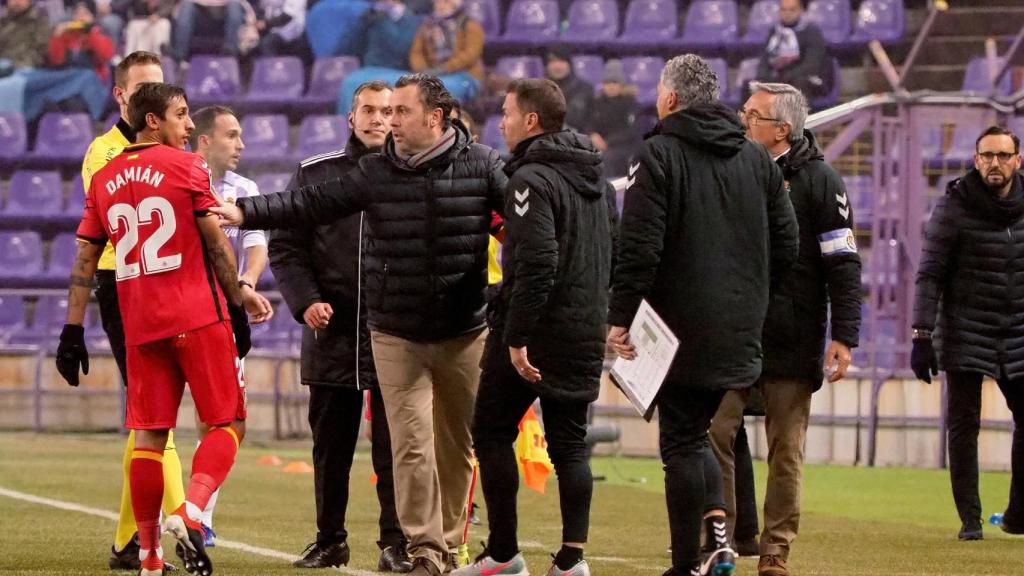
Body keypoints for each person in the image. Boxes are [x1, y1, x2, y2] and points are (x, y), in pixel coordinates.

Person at [211, 73, 508, 576]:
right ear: (352, 117)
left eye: (398, 112)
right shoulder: (372, 172)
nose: (388, 121)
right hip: (391, 330)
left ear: (433, 118)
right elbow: (305, 207)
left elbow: (522, 224)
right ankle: (423, 551)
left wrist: (509, 297)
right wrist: (246, 211)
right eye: (378, 112)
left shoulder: (482, 166)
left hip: (462, 329)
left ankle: (447, 540)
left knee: (454, 447)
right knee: (405, 443)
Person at [56, 81, 266, 576]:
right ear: (153, 120)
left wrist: (72, 330)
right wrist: (236, 306)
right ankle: (191, 512)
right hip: (198, 315)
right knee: (228, 422)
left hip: (140, 324)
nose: (190, 125)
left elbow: (86, 255)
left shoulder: (104, 178)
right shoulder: (189, 166)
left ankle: (149, 557)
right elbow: (216, 243)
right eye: (181, 114)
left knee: (149, 437)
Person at [607, 54, 799, 576]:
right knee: (702, 434)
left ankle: (687, 561)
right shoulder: (758, 159)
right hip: (740, 328)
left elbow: (639, 248)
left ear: (669, 99)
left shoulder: (658, 155)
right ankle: (718, 537)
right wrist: (752, 296)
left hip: (677, 330)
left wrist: (619, 316)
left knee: (681, 442)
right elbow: (788, 243)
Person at [453, 78, 612, 576]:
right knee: (570, 443)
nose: (500, 121)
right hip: (585, 330)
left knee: (492, 429)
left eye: (506, 112)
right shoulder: (599, 182)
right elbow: (614, 255)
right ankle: (572, 560)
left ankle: (503, 553)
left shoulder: (530, 180)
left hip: (535, 330)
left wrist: (517, 336)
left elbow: (539, 261)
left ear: (531, 121)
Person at [708, 82, 861, 576]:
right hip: (734, 331)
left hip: (793, 336)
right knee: (715, 432)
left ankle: (775, 550)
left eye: (751, 115)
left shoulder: (822, 181)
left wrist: (844, 335)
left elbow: (844, 263)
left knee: (786, 450)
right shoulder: (732, 170)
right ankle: (721, 541)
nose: (742, 121)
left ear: (782, 130)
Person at [267, 80, 412, 572]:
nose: (377, 119)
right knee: (331, 449)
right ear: (351, 119)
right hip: (331, 333)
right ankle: (330, 539)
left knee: (397, 450)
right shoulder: (316, 175)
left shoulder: (415, 173)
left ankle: (396, 543)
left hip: (397, 334)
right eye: (368, 110)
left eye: (388, 110)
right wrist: (306, 301)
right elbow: (285, 247)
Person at [76, 50, 185, 572]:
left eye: (160, 88)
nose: (155, 100)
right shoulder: (103, 152)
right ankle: (188, 521)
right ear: (122, 96)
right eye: (144, 89)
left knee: (151, 417)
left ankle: (128, 541)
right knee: (154, 415)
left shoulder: (175, 152)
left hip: (170, 283)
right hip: (124, 283)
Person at [912, 125, 1024, 541]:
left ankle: (1017, 514)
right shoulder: (954, 206)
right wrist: (921, 335)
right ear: (976, 160)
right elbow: (929, 274)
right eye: (987, 155)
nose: (995, 163)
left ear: (1018, 160)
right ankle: (971, 521)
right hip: (964, 330)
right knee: (963, 425)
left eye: (1003, 155)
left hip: (1018, 330)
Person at [188, 104, 275, 544]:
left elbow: (256, 245)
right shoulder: (181, 179)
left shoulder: (245, 189)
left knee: (217, 420)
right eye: (231, 135)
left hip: (223, 313)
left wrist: (244, 284)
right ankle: (179, 517)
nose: (241, 144)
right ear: (204, 140)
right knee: (220, 420)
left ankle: (199, 516)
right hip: (190, 312)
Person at [754, 0, 831, 100]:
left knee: (798, 84)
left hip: (807, 78)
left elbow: (811, 64)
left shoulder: (811, 32)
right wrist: (762, 77)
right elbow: (765, 58)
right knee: (752, 86)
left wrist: (784, 78)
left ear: (801, 10)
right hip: (780, 79)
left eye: (792, 10)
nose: (787, 13)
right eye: (783, 10)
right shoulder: (774, 31)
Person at [587, 59, 639, 178]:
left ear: (621, 84)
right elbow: (589, 122)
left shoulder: (631, 103)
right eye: (607, 82)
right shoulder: (597, 102)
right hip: (600, 146)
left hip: (624, 146)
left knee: (607, 158)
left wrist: (608, 142)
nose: (610, 86)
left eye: (614, 82)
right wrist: (593, 134)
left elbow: (631, 131)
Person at [47, 1, 116, 81]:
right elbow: (56, 61)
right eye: (77, 14)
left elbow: (105, 56)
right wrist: (57, 37)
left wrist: (90, 33)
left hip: (92, 80)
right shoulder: (67, 35)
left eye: (85, 14)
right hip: (69, 77)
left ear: (92, 16)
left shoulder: (100, 33)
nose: (81, 17)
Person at [170, 0, 245, 62]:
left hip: (224, 17)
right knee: (186, 6)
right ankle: (179, 56)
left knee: (235, 7)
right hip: (200, 16)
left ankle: (231, 54)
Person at [543, 48, 592, 134]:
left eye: (561, 61)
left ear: (569, 64)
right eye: (553, 62)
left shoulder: (583, 88)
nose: (557, 66)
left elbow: (575, 117)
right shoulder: (539, 88)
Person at [0, 0, 52, 69]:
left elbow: (41, 53)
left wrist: (15, 67)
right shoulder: (3, 22)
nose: (16, 2)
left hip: (26, 71)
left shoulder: (40, 23)